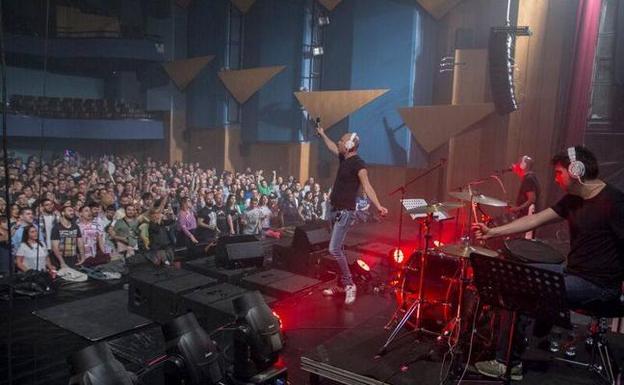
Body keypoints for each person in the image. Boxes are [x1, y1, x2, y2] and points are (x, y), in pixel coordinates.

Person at [472, 146, 624, 380]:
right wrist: (493, 232)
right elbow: (535, 220)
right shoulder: (574, 200)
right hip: (573, 273)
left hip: (599, 286)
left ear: (576, 170)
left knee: (523, 288)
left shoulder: (614, 202)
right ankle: (538, 328)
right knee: (517, 276)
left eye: (559, 173)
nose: (556, 179)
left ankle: (507, 363)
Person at [316, 126, 388, 304]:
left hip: (345, 212)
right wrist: (323, 134)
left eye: (342, 140)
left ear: (349, 145)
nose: (339, 142)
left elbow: (367, 186)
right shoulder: (344, 158)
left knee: (334, 249)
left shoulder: (359, 164)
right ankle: (341, 284)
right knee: (338, 249)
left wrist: (378, 205)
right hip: (334, 209)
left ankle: (349, 284)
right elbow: (332, 146)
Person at [510, 155, 540, 238]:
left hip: (527, 218)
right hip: (527, 218)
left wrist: (517, 209)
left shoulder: (529, 178)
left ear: (524, 165)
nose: (516, 165)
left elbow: (532, 199)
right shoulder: (530, 177)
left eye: (518, 163)